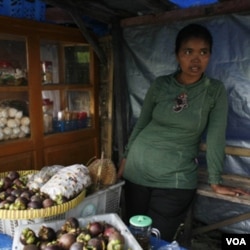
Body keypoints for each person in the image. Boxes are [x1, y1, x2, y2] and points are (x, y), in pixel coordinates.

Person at [117, 23, 249, 242]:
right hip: (137, 170)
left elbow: (217, 136)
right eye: (188, 52)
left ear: (210, 55)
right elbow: (142, 123)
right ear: (177, 55)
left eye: (203, 52)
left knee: (156, 240)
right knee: (133, 238)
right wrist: (126, 157)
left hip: (175, 179)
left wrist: (216, 181)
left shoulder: (214, 91)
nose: (196, 60)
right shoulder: (161, 85)